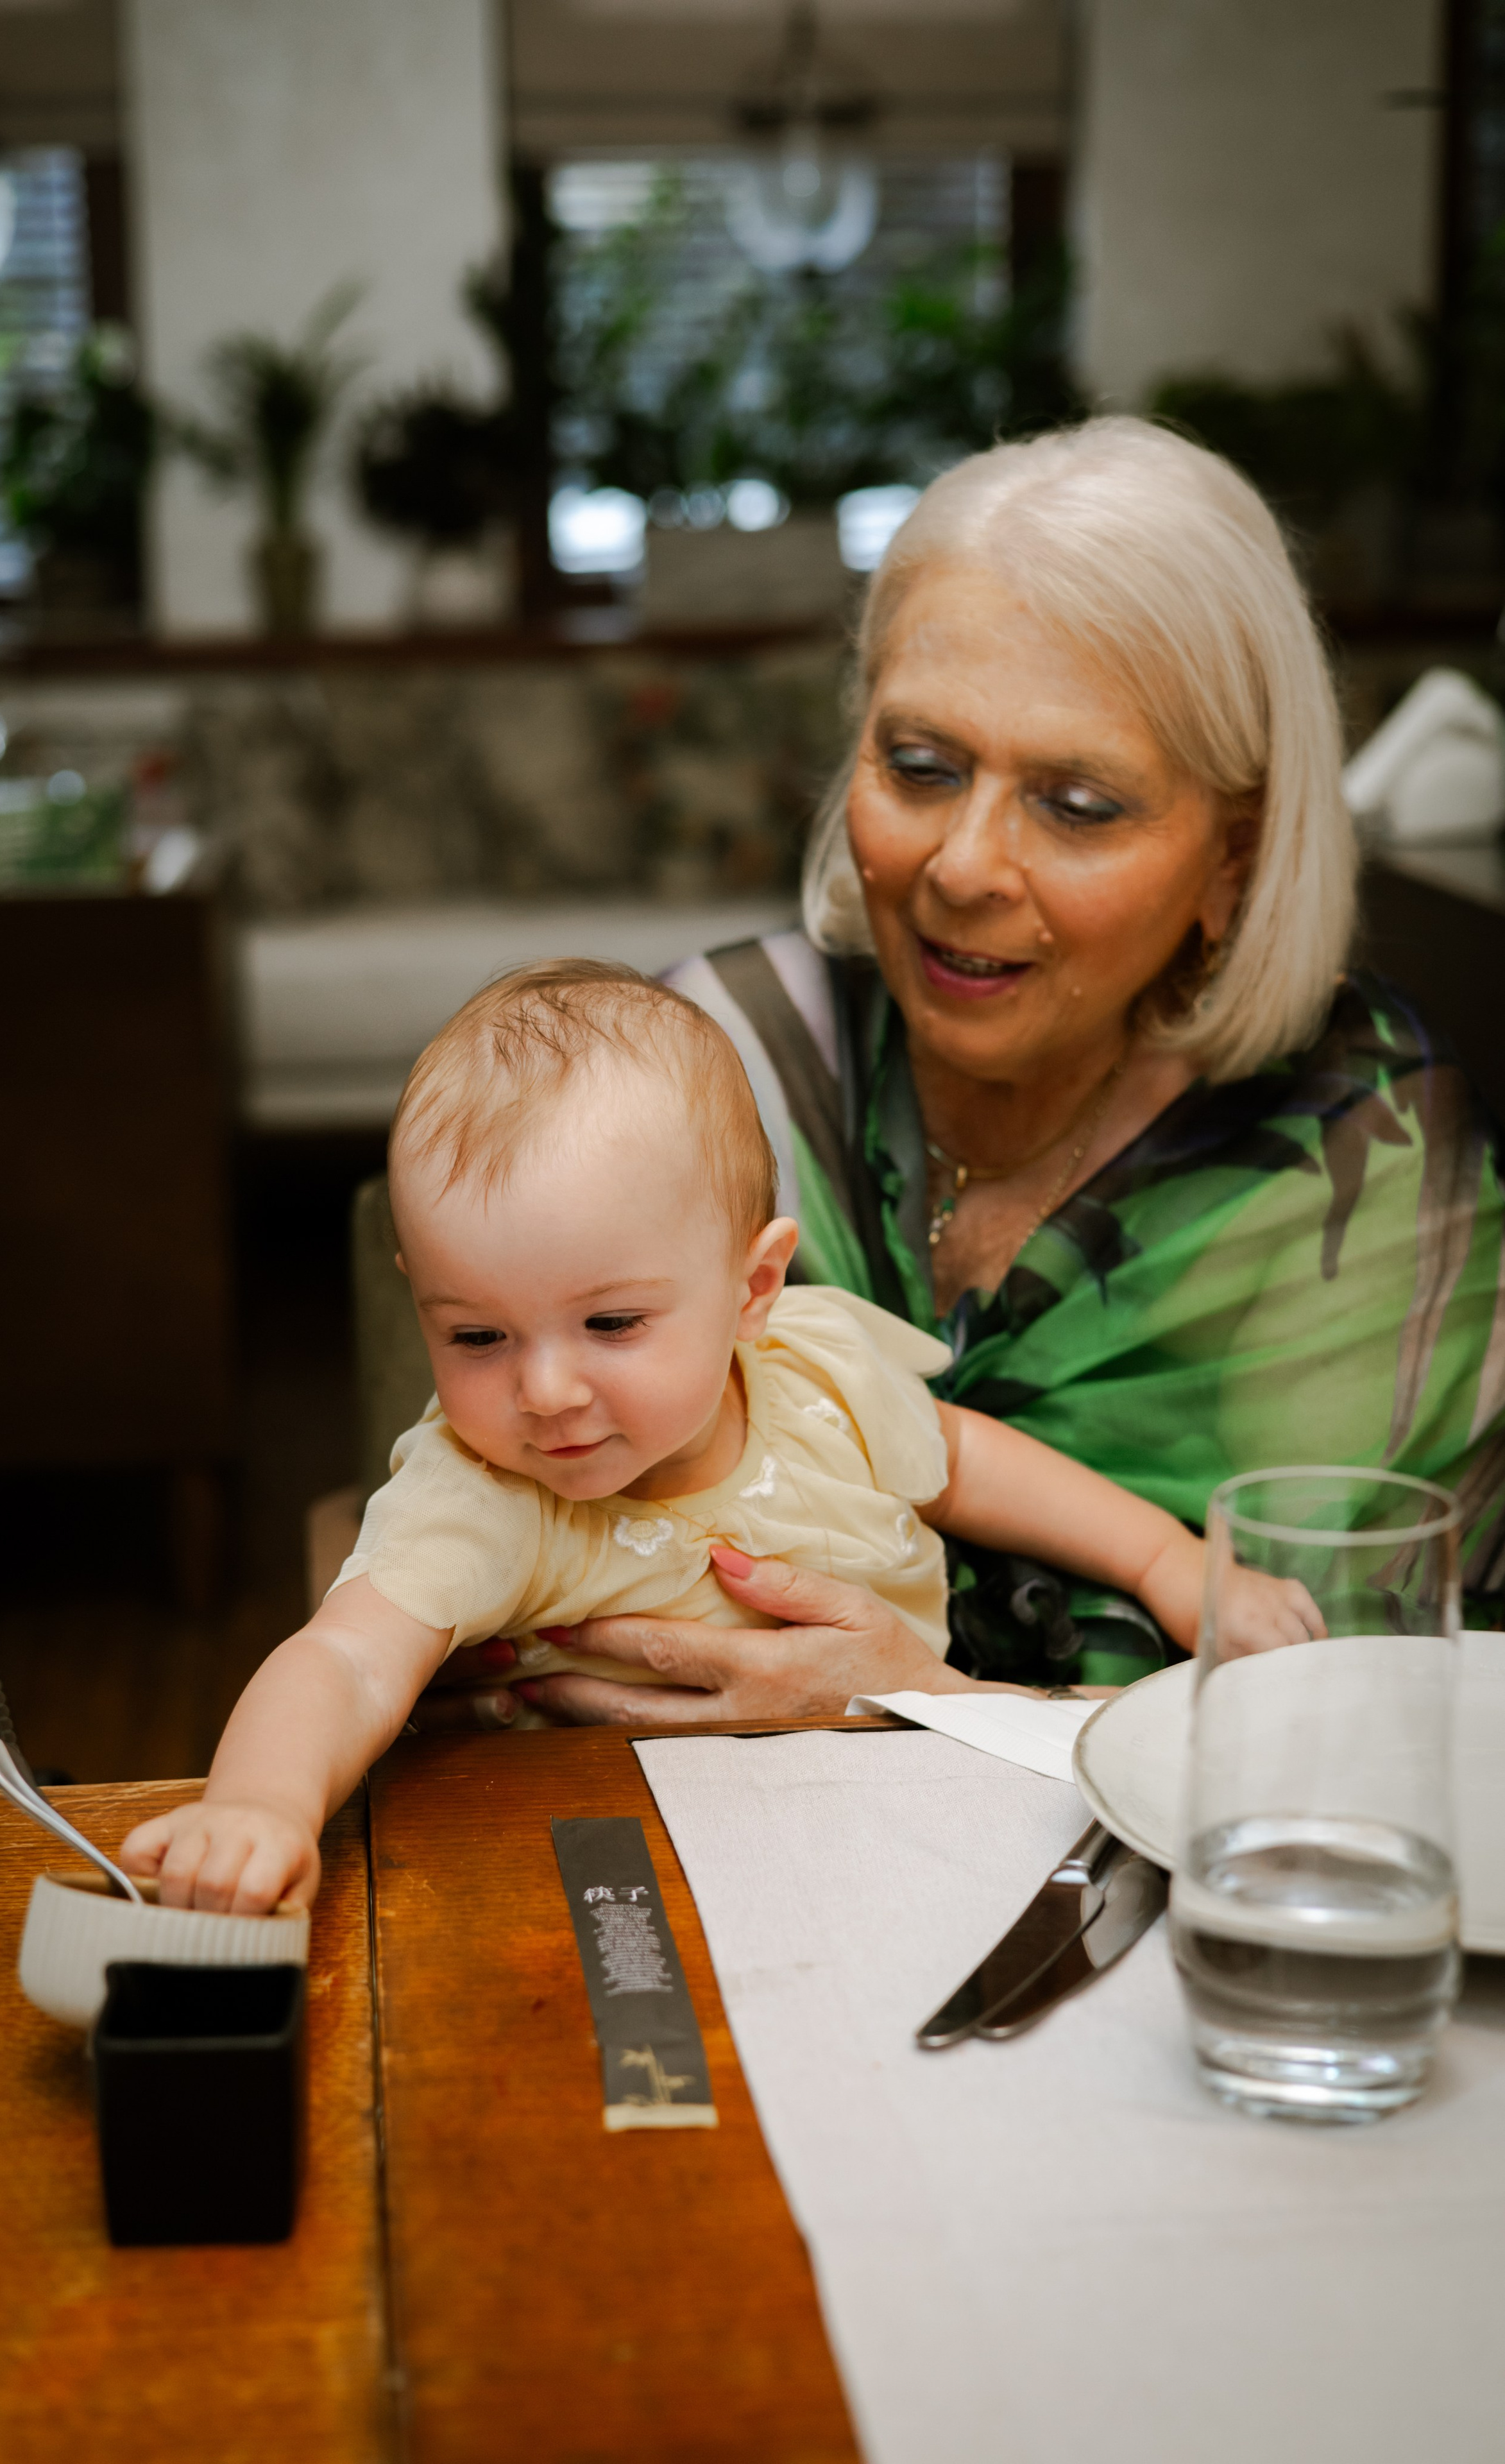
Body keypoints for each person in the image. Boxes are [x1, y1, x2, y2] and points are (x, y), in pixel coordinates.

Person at [471, 415, 1505, 1730]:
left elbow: (1340, 1711)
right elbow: (514, 1574)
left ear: (1232, 862)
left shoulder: (1354, 1158)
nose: (960, 865)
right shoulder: (718, 1066)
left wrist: (908, 1703)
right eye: (919, 766)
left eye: (1076, 804)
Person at [120, 963, 1316, 1915]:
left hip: (914, 1829)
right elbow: (345, 1660)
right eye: (477, 1336)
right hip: (616, 1877)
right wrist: (263, 1806)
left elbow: (969, 1460)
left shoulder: (820, 1367)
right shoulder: (488, 1495)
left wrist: (1170, 1563)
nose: (543, 1391)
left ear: (752, 1291)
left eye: (612, 1323)